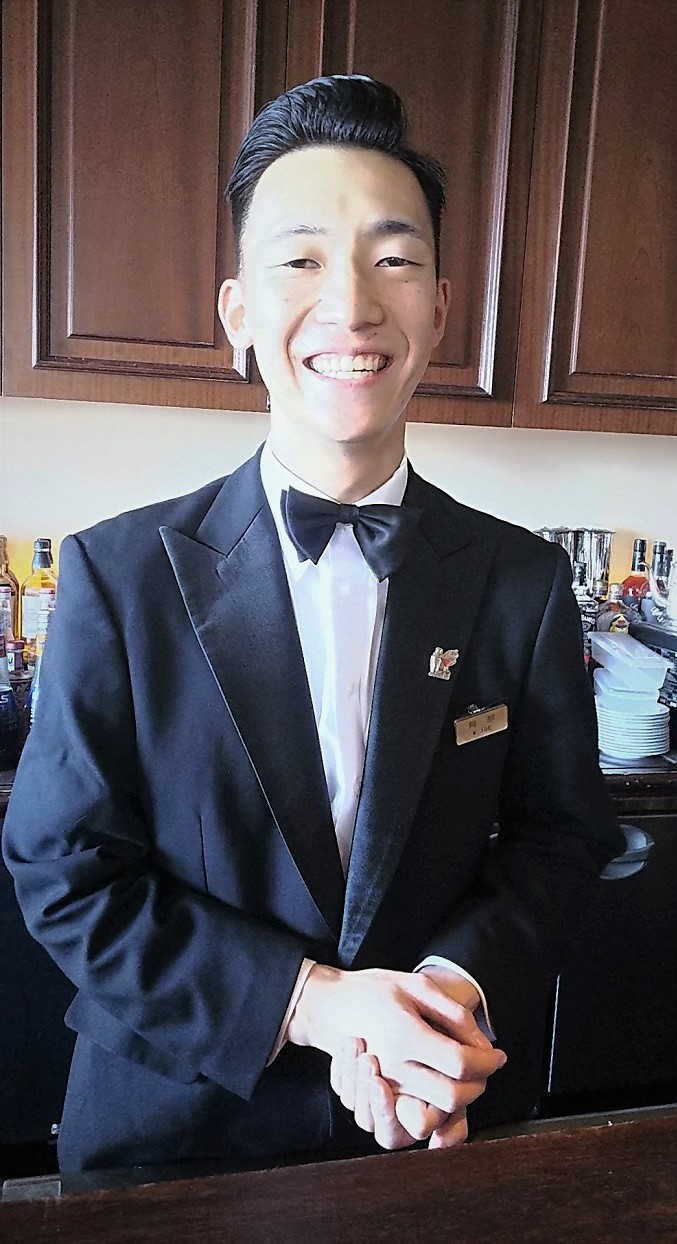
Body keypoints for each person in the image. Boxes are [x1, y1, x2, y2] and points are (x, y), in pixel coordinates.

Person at [3, 75, 623, 1174]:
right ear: (238, 314)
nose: (351, 303)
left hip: (433, 1123)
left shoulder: (521, 581)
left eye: (394, 259)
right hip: (174, 1137)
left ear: (440, 305)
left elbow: (559, 842)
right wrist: (320, 1005)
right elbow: (66, 869)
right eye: (300, 260)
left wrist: (443, 997)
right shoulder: (117, 574)